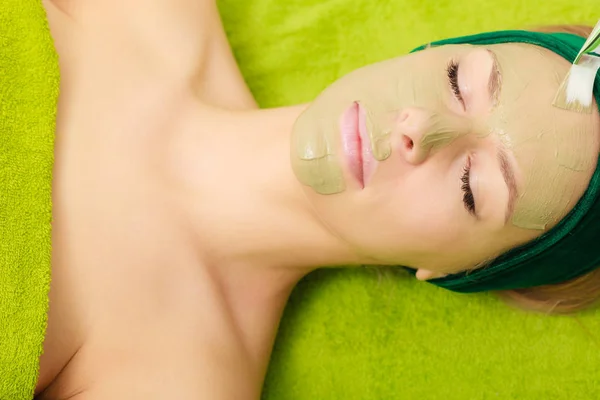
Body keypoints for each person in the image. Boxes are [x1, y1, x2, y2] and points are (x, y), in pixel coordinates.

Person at [33, 0, 599, 398]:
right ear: (430, 49)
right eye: (457, 81)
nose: (420, 129)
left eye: (471, 188)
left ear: (457, 272)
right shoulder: (150, 12)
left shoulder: (178, 379)